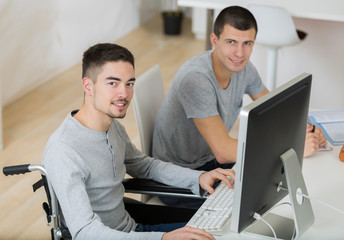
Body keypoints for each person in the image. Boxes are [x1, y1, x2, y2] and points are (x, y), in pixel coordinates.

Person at [42, 43, 235, 240]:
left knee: (225, 229)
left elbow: (145, 166)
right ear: (88, 86)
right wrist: (162, 238)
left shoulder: (112, 126)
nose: (124, 94)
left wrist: (198, 178)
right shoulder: (64, 150)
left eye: (129, 83)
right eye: (112, 83)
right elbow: (85, 232)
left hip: (133, 229)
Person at [152, 5, 327, 172]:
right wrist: (294, 147)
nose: (240, 53)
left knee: (281, 178)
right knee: (270, 188)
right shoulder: (196, 79)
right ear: (215, 40)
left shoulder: (244, 68)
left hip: (210, 163)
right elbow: (223, 151)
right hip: (182, 175)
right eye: (231, 42)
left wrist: (306, 130)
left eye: (247, 43)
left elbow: (273, 111)